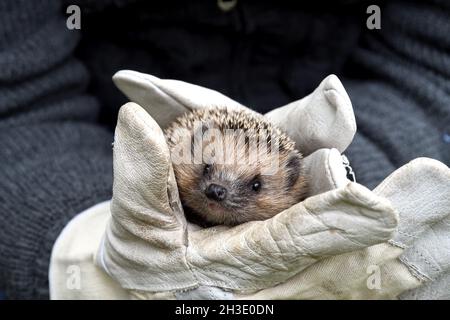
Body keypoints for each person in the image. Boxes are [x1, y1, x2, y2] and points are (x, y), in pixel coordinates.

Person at [0, 0, 449, 299]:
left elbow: (432, 63)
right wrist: (78, 248)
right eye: (209, 166)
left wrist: (360, 176)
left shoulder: (302, 182)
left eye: (255, 184)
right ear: (181, 143)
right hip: (74, 160)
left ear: (296, 185)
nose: (217, 190)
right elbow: (15, 103)